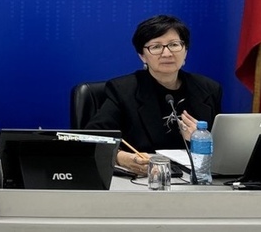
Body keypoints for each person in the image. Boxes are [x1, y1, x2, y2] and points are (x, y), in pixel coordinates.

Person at [86, 14, 222, 175]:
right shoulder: (123, 90)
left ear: (185, 51)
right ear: (142, 56)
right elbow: (92, 139)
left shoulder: (208, 89)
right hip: (145, 177)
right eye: (156, 47)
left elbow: (224, 146)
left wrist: (202, 141)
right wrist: (122, 158)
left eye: (174, 45)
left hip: (198, 178)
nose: (167, 53)